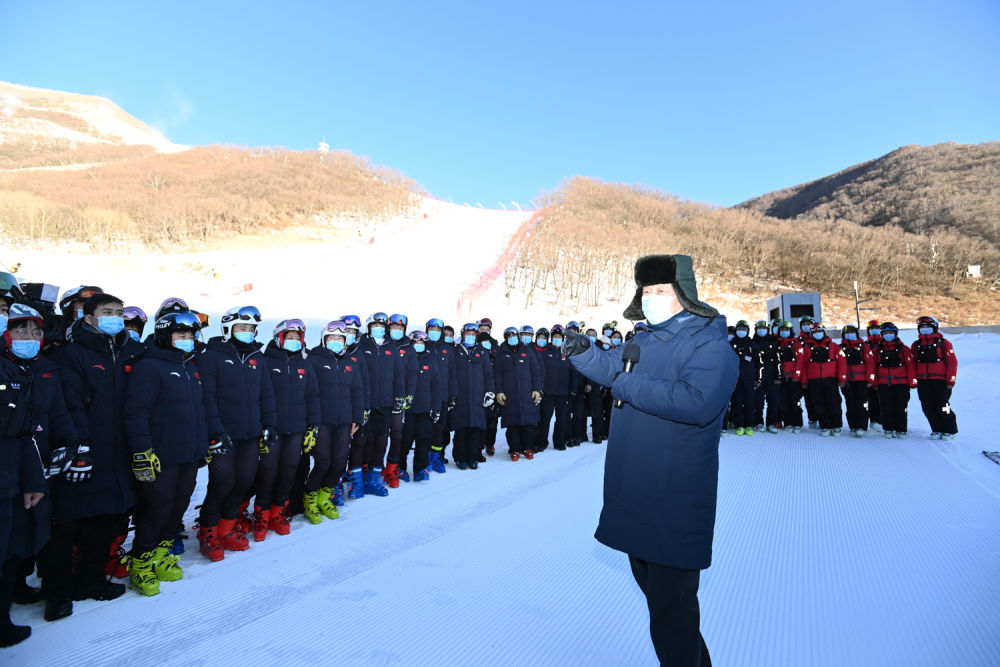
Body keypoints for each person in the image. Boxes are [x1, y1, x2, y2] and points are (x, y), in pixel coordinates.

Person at [563, 254, 737, 666]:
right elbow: (613, 367)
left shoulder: (710, 345)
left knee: (671, 613)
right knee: (667, 609)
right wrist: (585, 353)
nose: (652, 298)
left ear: (684, 295)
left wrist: (627, 382)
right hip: (635, 486)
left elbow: (697, 402)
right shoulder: (644, 339)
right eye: (646, 291)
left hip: (673, 494)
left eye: (661, 290)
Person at [44, 293, 143, 620]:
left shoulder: (130, 350)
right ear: (88, 318)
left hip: (117, 450)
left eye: (118, 312)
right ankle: (57, 593)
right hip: (83, 450)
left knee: (105, 517)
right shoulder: (72, 355)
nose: (115, 317)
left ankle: (91, 580)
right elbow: (68, 402)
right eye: (107, 313)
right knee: (67, 522)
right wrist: (79, 445)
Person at [122, 311, 207, 596]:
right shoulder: (149, 366)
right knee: (157, 508)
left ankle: (160, 552)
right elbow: (136, 412)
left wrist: (203, 444)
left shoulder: (189, 366)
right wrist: (142, 451)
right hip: (161, 454)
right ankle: (141, 561)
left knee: (178, 506)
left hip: (188, 452)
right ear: (164, 335)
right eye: (180, 335)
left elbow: (199, 412)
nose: (187, 340)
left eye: (190, 335)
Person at [0, 305, 63, 646]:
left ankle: (9, 599)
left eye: (35, 332)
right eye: (20, 330)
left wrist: (34, 480)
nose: (29, 338)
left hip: (21, 469)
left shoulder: (32, 371)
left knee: (16, 543)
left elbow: (25, 432)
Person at [197, 305, 277, 561]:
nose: (248, 332)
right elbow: (206, 397)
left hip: (250, 432)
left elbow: (266, 394)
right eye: (242, 328)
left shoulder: (257, 356)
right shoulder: (212, 356)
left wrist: (269, 424)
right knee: (223, 481)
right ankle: (208, 531)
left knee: (243, 480)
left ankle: (226, 528)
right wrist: (215, 431)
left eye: (251, 329)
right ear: (228, 328)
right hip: (224, 433)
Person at [260, 319, 321, 531]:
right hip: (272, 429)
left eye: (298, 338)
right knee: (268, 472)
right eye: (290, 337)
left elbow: (312, 397)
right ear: (279, 337)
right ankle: (262, 514)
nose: (294, 341)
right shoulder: (265, 361)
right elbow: (258, 396)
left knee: (288, 471)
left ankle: (278, 512)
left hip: (296, 428)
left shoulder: (304, 364)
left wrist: (313, 426)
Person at [495, 326, 544, 461]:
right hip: (509, 395)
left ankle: (528, 447)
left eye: (514, 336)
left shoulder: (527, 351)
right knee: (513, 425)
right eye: (509, 337)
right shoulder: (501, 353)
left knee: (529, 424)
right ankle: (514, 449)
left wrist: (536, 389)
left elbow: (535, 372)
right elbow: (497, 375)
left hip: (527, 394)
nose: (512, 339)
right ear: (506, 339)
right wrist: (499, 391)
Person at [399, 331, 442, 481]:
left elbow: (436, 385)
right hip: (408, 409)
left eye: (422, 343)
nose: (419, 345)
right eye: (416, 343)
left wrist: (436, 407)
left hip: (425, 408)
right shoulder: (404, 359)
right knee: (405, 440)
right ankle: (400, 468)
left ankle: (420, 469)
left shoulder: (430, 360)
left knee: (424, 439)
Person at [451, 323, 495, 469]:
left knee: (476, 429)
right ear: (463, 334)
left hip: (478, 396)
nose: (470, 336)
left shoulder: (482, 352)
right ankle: (460, 458)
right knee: (461, 429)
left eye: (472, 334)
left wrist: (490, 391)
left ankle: (473, 456)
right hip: (461, 396)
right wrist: (452, 392)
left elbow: (488, 373)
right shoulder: (456, 351)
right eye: (467, 334)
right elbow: (451, 374)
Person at [911, 316, 958, 440]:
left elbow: (952, 362)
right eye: (922, 327)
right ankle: (936, 429)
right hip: (923, 381)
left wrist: (950, 380)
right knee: (927, 406)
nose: (925, 329)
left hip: (941, 381)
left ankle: (950, 430)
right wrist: (914, 380)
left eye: (928, 327)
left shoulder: (944, 343)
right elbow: (913, 363)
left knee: (942, 406)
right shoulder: (916, 345)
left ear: (934, 328)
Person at [797, 322, 847, 436]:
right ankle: (824, 425)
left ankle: (836, 425)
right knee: (819, 403)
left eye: (819, 331)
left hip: (831, 380)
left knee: (834, 403)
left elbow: (842, 363)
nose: (817, 334)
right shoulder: (806, 347)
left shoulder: (834, 346)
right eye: (814, 332)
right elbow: (803, 365)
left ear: (824, 332)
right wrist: (804, 380)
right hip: (813, 381)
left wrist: (842, 378)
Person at [873, 322, 916, 438]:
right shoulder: (877, 350)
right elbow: (873, 367)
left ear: (896, 333)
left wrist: (912, 381)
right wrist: (874, 382)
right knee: (885, 407)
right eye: (885, 333)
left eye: (891, 332)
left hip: (901, 383)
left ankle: (901, 429)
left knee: (901, 407)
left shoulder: (904, 349)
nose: (888, 335)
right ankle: (888, 428)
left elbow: (910, 365)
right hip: (883, 383)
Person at [840, 325, 875, 436]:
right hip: (848, 381)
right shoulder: (840, 347)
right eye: (847, 333)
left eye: (852, 332)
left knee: (862, 404)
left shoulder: (864, 347)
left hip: (862, 381)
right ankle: (853, 426)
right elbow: (839, 365)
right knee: (850, 403)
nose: (849, 335)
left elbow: (870, 364)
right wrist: (841, 380)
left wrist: (870, 379)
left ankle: (862, 426)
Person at [728, 320, 760, 436]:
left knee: (750, 402)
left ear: (748, 331)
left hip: (749, 378)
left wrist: (758, 379)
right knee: (737, 402)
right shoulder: (731, 344)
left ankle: (749, 425)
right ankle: (739, 425)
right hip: (736, 379)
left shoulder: (753, 345)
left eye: (744, 330)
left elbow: (758, 363)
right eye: (739, 329)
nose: (742, 332)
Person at [776, 320, 805, 433]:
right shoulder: (776, 344)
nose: (784, 332)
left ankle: (797, 423)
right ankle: (787, 422)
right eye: (782, 330)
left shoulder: (796, 344)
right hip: (781, 378)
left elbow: (800, 361)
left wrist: (796, 375)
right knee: (784, 402)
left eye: (786, 330)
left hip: (793, 379)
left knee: (795, 401)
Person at [753, 320, 781, 433]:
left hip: (772, 377)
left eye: (764, 328)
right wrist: (755, 378)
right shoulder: (753, 342)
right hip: (758, 378)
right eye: (759, 328)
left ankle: (771, 423)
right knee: (758, 402)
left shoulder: (773, 343)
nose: (762, 330)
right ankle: (759, 422)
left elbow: (777, 361)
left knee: (773, 401)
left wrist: (778, 376)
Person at [864, 320, 884, 432]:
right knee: (869, 400)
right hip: (867, 378)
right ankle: (872, 421)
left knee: (882, 400)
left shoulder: (884, 343)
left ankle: (882, 421)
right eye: (871, 329)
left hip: (883, 377)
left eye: (876, 328)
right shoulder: (865, 345)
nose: (874, 331)